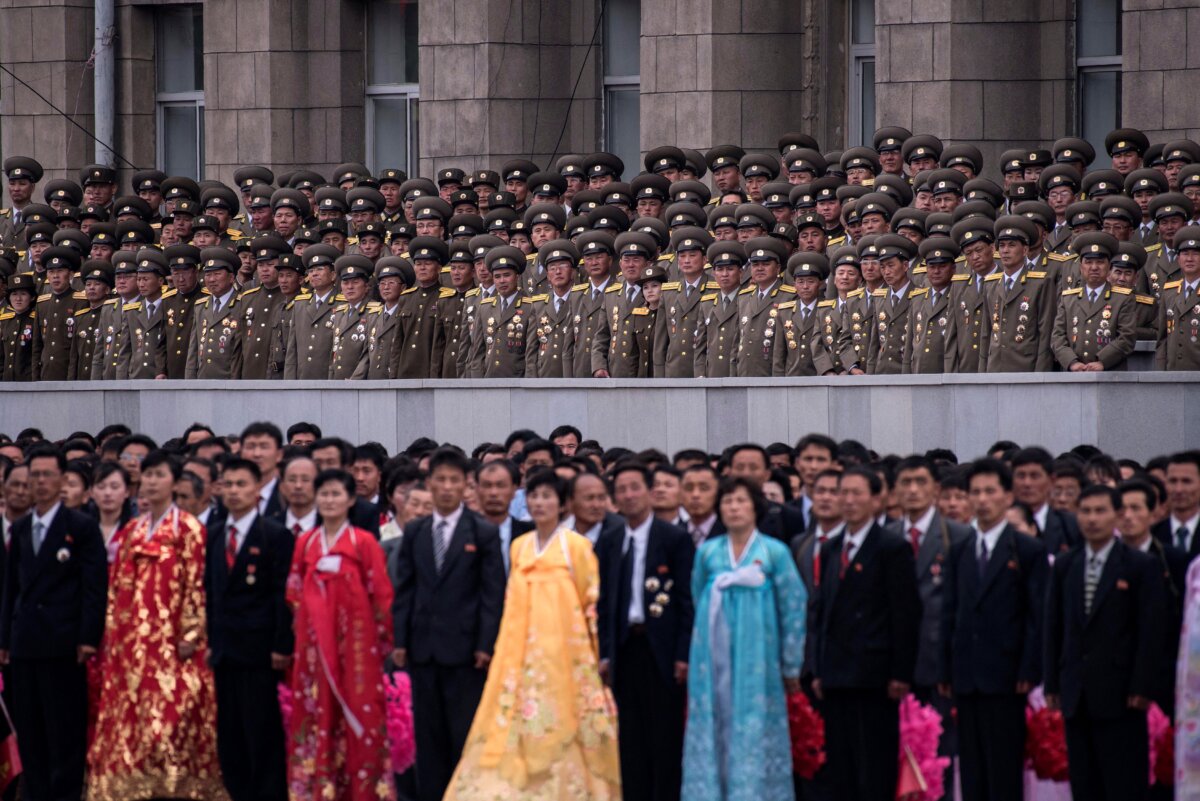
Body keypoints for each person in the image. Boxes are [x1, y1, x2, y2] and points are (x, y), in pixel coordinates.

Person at [444, 469, 621, 799]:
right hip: (521, 648)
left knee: (565, 716)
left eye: (547, 497)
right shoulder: (520, 546)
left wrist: (595, 654)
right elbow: (510, 600)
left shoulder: (577, 547)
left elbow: (590, 602)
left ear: (563, 504)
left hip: (566, 653)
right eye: (534, 496)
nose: (539, 503)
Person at [87, 450, 227, 801]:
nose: (151, 482)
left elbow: (197, 584)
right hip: (132, 642)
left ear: (175, 482)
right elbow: (117, 587)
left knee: (172, 717)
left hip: (173, 643)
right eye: (147, 475)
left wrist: (191, 633)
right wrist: (114, 633)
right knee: (130, 716)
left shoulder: (188, 529)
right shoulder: (132, 530)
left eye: (159, 475)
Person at [682, 476, 806, 801]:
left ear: (755, 507)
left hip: (759, 657)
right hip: (712, 655)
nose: (734, 508)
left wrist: (791, 663)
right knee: (714, 721)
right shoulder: (708, 552)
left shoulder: (774, 552)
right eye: (727, 501)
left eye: (741, 501)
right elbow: (697, 594)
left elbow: (793, 607)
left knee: (754, 724)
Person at [392, 448, 506, 801]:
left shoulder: (482, 532)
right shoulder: (417, 531)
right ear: (429, 483)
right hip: (423, 650)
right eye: (439, 479)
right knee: (428, 741)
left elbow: (492, 595)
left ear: (465, 484)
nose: (446, 487)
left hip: (466, 653)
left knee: (463, 736)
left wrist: (485, 645)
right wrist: (400, 641)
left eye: (454, 480)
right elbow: (405, 590)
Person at [1044, 484, 1166, 801]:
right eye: (1085, 511)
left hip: (1121, 694)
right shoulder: (1065, 564)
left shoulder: (1140, 565)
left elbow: (1150, 631)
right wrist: (1053, 683)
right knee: (1085, 784)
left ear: (1116, 515)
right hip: (1076, 692)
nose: (1092, 519)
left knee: (1123, 783)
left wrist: (1142, 686)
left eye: (1100, 511)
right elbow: (1054, 626)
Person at [0, 444, 107, 801]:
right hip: (25, 643)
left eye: (48, 475)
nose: (41, 482)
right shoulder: (21, 527)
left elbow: (94, 588)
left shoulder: (81, 527)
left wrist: (88, 637)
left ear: (62, 479)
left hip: (65, 643)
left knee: (64, 732)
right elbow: (11, 588)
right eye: (35, 475)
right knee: (31, 732)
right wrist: (5, 639)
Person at [938, 458, 1047, 801]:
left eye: (990, 491)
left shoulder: (1026, 549)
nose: (982, 499)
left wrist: (1029, 668)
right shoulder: (960, 550)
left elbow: (1037, 615)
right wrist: (946, 667)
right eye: (976, 492)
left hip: (1008, 674)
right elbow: (949, 612)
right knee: (972, 768)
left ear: (1008, 496)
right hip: (967, 675)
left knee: (1003, 768)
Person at [810, 467, 920, 801]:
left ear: (876, 499)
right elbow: (822, 613)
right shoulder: (831, 548)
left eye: (856, 493)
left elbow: (905, 613)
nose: (848, 500)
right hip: (835, 673)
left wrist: (901, 672)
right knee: (841, 765)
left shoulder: (891, 547)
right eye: (843, 492)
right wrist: (818, 667)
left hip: (875, 674)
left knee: (874, 765)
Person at [286, 469, 395, 801]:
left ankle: (362, 791)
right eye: (324, 494)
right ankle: (319, 790)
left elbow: (381, 596)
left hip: (357, 651)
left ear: (350, 500)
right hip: (314, 649)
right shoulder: (306, 542)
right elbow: (293, 592)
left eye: (336, 494)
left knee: (360, 714)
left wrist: (381, 644)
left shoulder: (363, 543)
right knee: (316, 714)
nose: (329, 500)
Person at [596, 460, 695, 801]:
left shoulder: (674, 539)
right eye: (621, 490)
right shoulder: (610, 540)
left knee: (664, 739)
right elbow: (604, 603)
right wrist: (605, 652)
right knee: (630, 739)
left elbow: (687, 601)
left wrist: (683, 655)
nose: (628, 495)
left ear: (650, 492)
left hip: (662, 652)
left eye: (635, 487)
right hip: (625, 649)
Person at [205, 458, 294, 801]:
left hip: (261, 653)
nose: (234, 491)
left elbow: (282, 596)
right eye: (228, 484)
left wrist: (281, 646)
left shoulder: (275, 535)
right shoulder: (214, 534)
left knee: (262, 737)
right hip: (224, 651)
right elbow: (210, 593)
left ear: (258, 489)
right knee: (230, 738)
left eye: (241, 484)